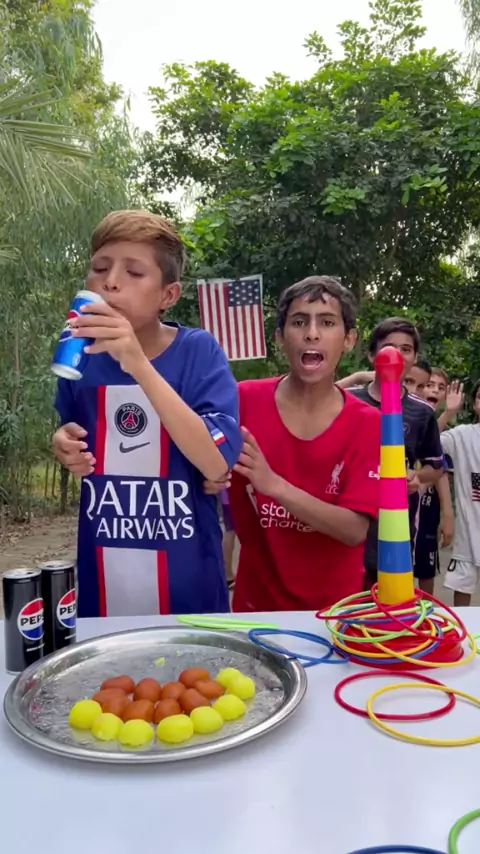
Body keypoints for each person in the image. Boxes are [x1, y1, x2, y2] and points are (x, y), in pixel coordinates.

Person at [52, 210, 242, 617]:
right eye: (100, 268)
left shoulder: (198, 352)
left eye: (134, 272)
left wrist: (137, 363)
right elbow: (71, 431)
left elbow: (216, 462)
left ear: (167, 296)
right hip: (105, 583)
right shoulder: (79, 355)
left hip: (189, 589)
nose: (111, 281)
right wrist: (63, 443)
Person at [206, 276, 381, 611]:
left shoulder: (368, 423)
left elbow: (354, 530)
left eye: (326, 322)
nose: (312, 333)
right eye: (299, 322)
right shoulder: (242, 400)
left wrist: (273, 485)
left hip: (335, 614)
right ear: (279, 338)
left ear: (348, 339)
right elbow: (196, 460)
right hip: (255, 609)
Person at [347, 318, 444, 589]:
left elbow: (436, 466)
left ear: (415, 358)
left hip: (394, 529)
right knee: (347, 600)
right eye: (388, 347)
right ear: (372, 355)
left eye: (406, 349)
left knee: (389, 598)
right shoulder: (347, 401)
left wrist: (415, 476)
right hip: (347, 524)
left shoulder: (422, 412)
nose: (396, 355)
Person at [413, 367, 454, 595]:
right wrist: (447, 414)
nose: (435, 390)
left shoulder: (444, 435)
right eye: (430, 385)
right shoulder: (406, 418)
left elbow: (440, 470)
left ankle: (427, 610)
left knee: (426, 571)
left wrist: (447, 514)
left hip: (427, 511)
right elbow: (425, 441)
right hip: (401, 510)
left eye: (441, 387)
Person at [440, 379, 480, 606]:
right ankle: (461, 627)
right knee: (462, 588)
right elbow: (426, 441)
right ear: (474, 403)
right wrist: (448, 413)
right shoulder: (463, 436)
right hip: (469, 536)